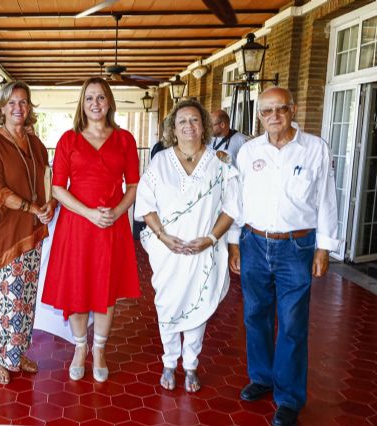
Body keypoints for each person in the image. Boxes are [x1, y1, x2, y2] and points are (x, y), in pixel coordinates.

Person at [228, 87, 340, 426]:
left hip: (297, 246)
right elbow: (238, 201)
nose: (274, 116)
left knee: (292, 323)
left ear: (293, 109)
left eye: (281, 108)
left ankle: (289, 397)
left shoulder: (315, 149)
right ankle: (261, 377)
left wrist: (324, 247)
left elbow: (326, 200)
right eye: (266, 111)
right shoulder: (248, 152)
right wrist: (234, 243)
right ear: (259, 116)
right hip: (253, 242)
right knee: (255, 315)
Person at [134, 99, 240, 393]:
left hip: (204, 250)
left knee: (199, 305)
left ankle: (191, 363)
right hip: (168, 251)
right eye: (182, 121)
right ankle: (169, 361)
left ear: (204, 126)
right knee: (167, 305)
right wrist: (164, 237)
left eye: (194, 120)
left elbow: (231, 208)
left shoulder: (220, 162)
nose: (189, 126)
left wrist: (210, 239)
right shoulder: (160, 161)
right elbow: (145, 204)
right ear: (173, 128)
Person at [41, 77, 141, 383]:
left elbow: (134, 185)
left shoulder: (125, 140)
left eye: (100, 98)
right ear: (82, 105)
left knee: (105, 290)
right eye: (89, 99)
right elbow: (57, 188)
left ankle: (99, 350)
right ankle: (80, 348)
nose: (95, 104)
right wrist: (88, 213)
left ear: (109, 102)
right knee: (79, 286)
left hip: (111, 225)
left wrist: (115, 213)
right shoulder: (68, 140)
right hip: (77, 226)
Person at [0, 81, 55, 385]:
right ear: (2, 107)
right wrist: (33, 208)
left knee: (27, 296)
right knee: (10, 296)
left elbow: (45, 180)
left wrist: (46, 205)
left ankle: (17, 352)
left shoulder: (35, 144)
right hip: (9, 232)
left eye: (23, 103)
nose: (18, 108)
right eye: (12, 103)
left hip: (32, 230)